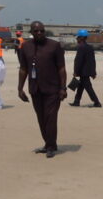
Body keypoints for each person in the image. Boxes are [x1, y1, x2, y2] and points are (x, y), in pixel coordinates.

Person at [17, 21, 67, 158]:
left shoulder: (54, 46)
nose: (39, 33)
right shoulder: (25, 47)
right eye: (36, 31)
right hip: (35, 89)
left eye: (42, 31)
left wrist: (63, 88)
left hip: (53, 89)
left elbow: (61, 68)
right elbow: (23, 69)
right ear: (31, 33)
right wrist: (20, 89)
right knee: (41, 118)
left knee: (50, 118)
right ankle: (48, 143)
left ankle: (51, 146)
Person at [69, 29, 102, 108]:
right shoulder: (90, 47)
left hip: (83, 72)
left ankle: (96, 102)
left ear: (81, 38)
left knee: (88, 87)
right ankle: (76, 101)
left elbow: (78, 61)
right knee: (80, 86)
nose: (77, 39)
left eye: (78, 38)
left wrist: (75, 71)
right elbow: (93, 61)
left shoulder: (81, 47)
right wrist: (93, 72)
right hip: (88, 71)